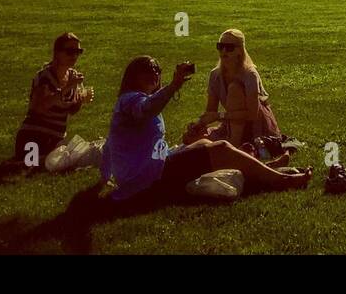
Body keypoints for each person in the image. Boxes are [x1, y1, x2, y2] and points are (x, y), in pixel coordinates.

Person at [100, 56, 310, 202]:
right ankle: (280, 179)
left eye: (156, 69)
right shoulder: (130, 101)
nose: (153, 73)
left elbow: (111, 143)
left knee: (204, 144)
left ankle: (265, 169)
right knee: (220, 149)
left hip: (151, 168)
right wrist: (174, 85)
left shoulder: (129, 102)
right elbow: (146, 109)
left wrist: (105, 175)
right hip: (146, 180)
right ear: (132, 76)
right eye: (146, 69)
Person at [197, 29, 289, 150]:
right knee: (192, 139)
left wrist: (220, 116)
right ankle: (231, 144)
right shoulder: (215, 75)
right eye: (220, 46)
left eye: (229, 48)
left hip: (256, 127)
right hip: (232, 123)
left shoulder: (250, 74)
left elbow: (252, 114)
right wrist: (199, 124)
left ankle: (233, 146)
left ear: (240, 51)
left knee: (234, 89)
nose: (224, 51)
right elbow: (210, 111)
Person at [14, 32, 94, 166]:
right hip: (34, 137)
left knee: (67, 162)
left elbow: (71, 111)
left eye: (78, 51)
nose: (74, 56)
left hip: (55, 140)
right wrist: (67, 88)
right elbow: (38, 108)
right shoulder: (45, 77)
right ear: (57, 52)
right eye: (69, 51)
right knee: (30, 166)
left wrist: (81, 99)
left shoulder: (73, 76)